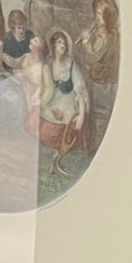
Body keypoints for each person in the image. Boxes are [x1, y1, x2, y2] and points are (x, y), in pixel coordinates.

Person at [33, 29, 90, 167]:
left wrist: (82, 113)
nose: (62, 45)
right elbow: (43, 85)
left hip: (68, 99)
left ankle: (62, 151)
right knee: (41, 122)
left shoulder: (70, 63)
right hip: (52, 98)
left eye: (64, 43)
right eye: (59, 42)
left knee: (69, 120)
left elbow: (79, 86)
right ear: (53, 45)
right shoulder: (48, 62)